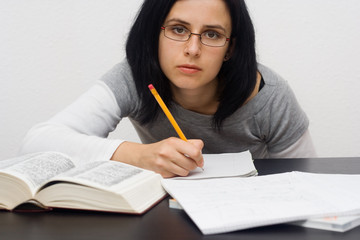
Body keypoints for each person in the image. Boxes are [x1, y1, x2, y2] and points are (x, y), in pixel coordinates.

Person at [20, 0, 316, 178]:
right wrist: (139, 156)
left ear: (230, 48)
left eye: (212, 34)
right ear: (155, 33)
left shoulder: (269, 96)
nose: (192, 49)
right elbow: (36, 142)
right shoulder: (133, 78)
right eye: (178, 29)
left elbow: (305, 180)